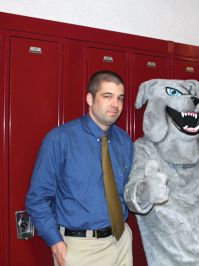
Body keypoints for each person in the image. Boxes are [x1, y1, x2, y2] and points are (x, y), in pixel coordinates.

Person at [26, 71, 134, 266]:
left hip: (121, 242)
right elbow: (37, 198)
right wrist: (56, 242)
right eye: (107, 96)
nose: (115, 104)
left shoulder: (124, 141)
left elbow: (128, 189)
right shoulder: (60, 139)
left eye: (120, 98)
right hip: (80, 249)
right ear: (90, 99)